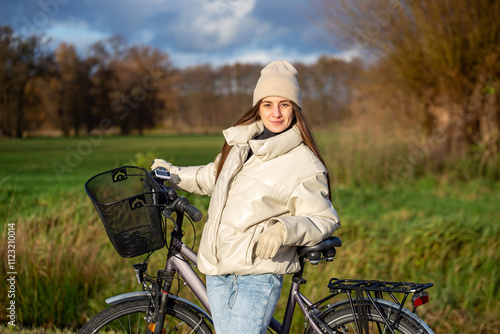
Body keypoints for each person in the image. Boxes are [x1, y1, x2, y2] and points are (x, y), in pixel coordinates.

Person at [151, 60, 340, 334]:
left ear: (295, 108)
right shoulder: (242, 145)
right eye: (268, 104)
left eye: (284, 104)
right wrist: (173, 174)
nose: (275, 113)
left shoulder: (305, 163)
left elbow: (323, 219)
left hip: (257, 274)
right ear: (258, 107)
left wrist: (282, 229)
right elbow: (212, 177)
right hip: (218, 271)